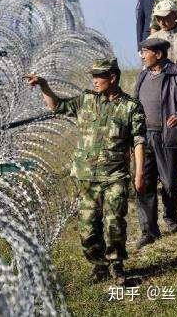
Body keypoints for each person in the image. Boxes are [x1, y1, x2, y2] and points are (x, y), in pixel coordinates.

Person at [26, 58, 146, 285]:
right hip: (86, 177)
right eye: (93, 76)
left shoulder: (131, 107)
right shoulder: (86, 100)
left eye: (99, 76)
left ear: (112, 78)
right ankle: (99, 265)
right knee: (88, 228)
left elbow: (139, 142)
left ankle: (116, 267)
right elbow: (57, 106)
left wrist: (139, 174)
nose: (94, 80)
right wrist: (43, 86)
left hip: (115, 177)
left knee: (114, 224)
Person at [134, 38, 177, 249]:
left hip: (168, 137)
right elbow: (135, 105)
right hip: (144, 138)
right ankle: (149, 231)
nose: (142, 56)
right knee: (144, 182)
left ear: (159, 55)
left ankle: (171, 218)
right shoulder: (142, 75)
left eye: (145, 52)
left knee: (170, 182)